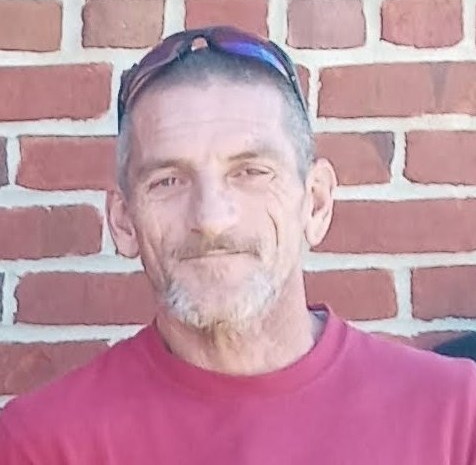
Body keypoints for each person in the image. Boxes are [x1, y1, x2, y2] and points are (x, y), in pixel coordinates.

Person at [1, 26, 475, 464]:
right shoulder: (40, 444)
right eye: (168, 180)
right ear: (124, 221)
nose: (211, 219)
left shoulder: (457, 417)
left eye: (250, 172)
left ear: (315, 202)